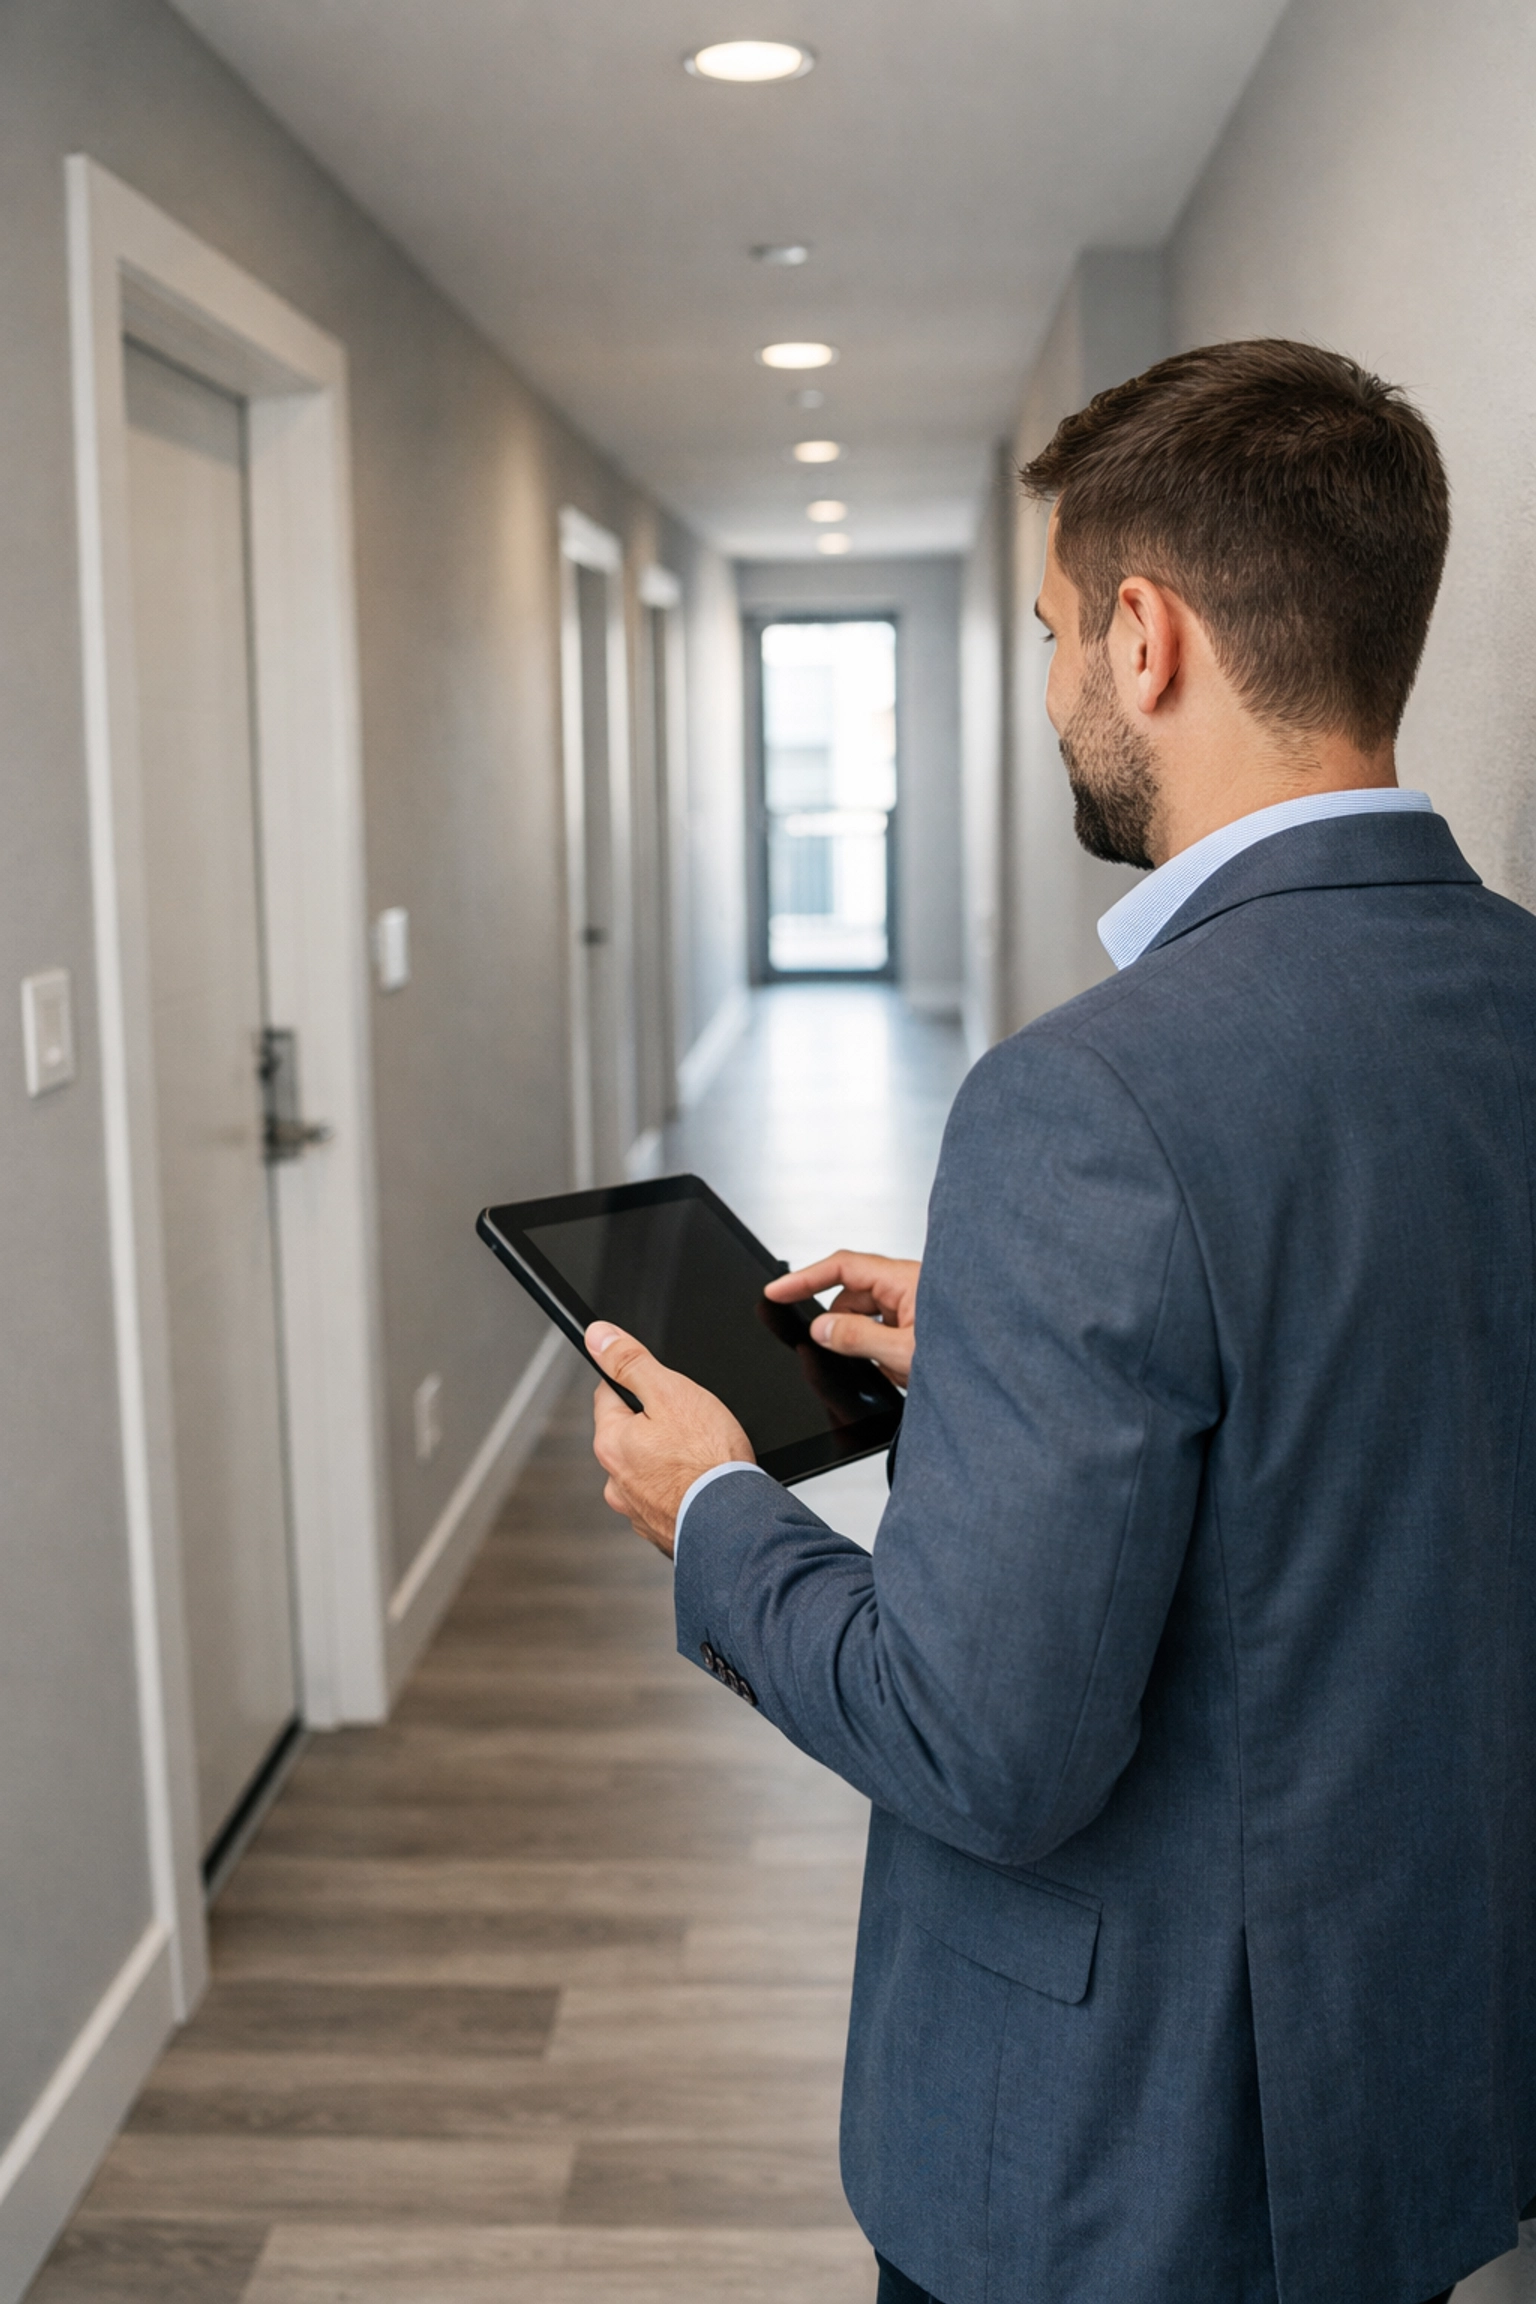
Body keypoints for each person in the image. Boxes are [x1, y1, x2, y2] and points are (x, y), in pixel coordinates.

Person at [586, 340, 1536, 2304]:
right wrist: (1010, 1345)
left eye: (1047, 638)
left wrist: (711, 1511)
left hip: (1137, 2167)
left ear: (1143, 635)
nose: (1046, 695)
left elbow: (982, 1744)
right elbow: (1391, 1408)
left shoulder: (1087, 1100)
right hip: (1433, 2078)